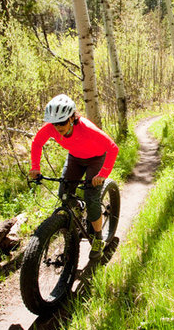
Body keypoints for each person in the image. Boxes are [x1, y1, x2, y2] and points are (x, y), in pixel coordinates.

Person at [29, 94, 119, 260]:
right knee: (63, 193)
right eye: (55, 123)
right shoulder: (51, 127)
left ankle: (98, 238)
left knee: (92, 197)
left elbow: (113, 148)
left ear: (72, 118)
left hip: (96, 159)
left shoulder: (86, 128)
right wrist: (35, 167)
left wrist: (102, 174)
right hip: (75, 158)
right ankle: (77, 211)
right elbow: (37, 143)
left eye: (62, 122)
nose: (58, 127)